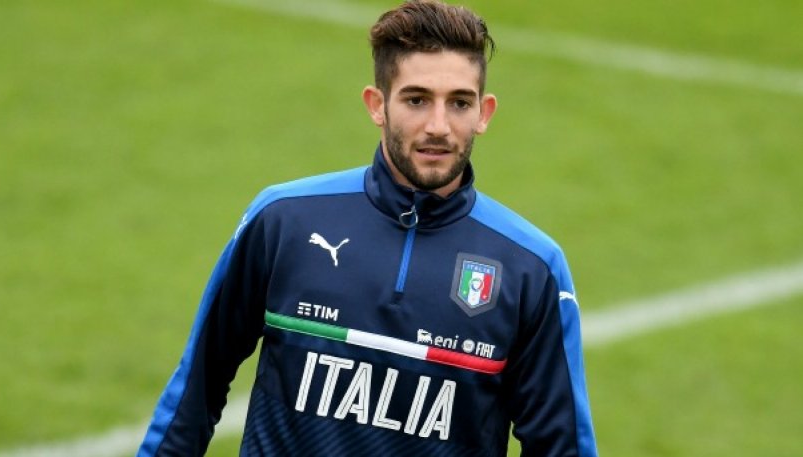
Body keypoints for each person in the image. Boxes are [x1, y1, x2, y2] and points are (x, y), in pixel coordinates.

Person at [138, 1, 598, 455]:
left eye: (459, 102)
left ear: (484, 113)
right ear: (377, 105)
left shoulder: (530, 268)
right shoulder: (285, 221)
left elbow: (560, 448)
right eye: (416, 100)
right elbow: (195, 390)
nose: (438, 126)